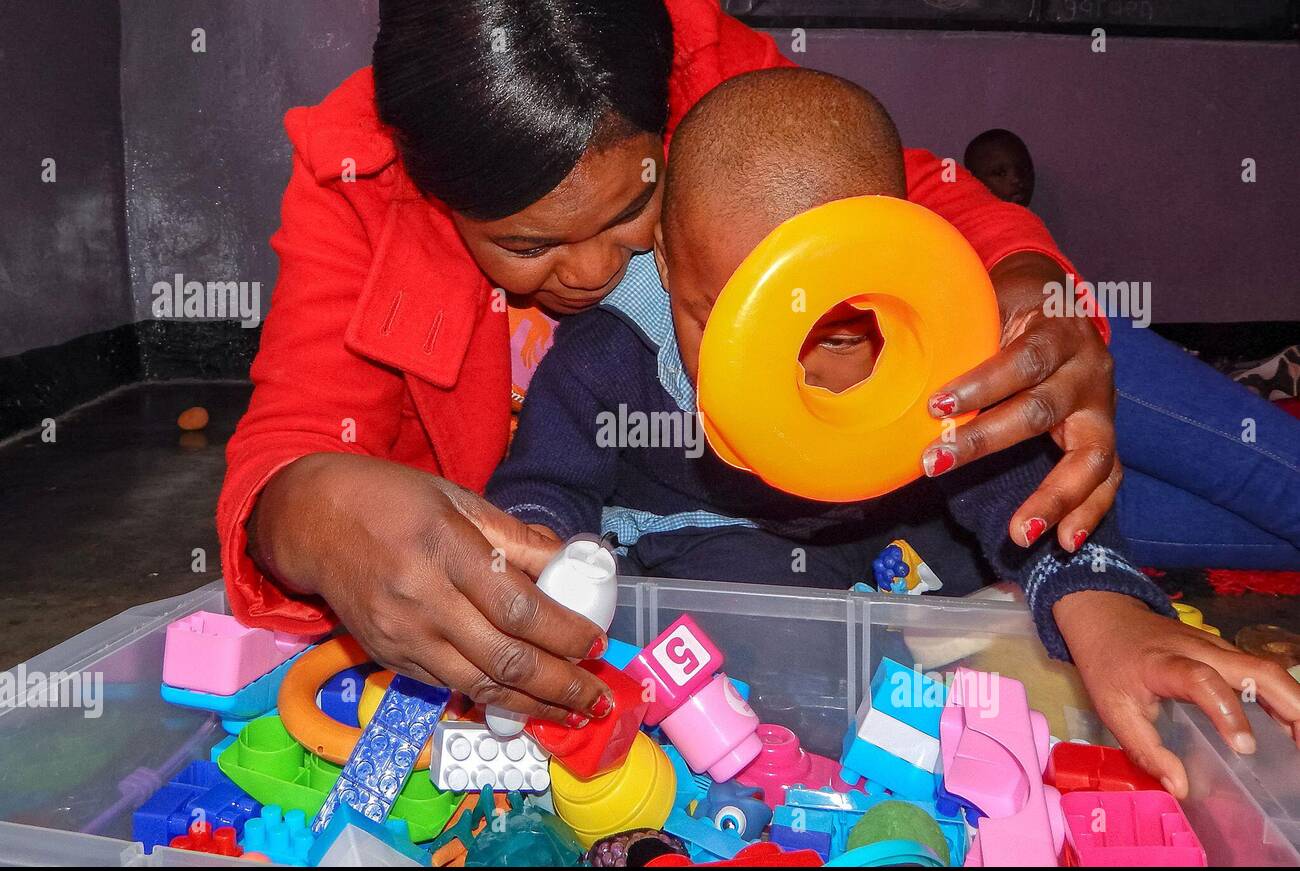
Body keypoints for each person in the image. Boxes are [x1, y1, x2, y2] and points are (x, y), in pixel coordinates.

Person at [221, 0, 1121, 726]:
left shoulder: (699, 66)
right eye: (527, 242)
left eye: (628, 212)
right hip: (717, 524)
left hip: (895, 465)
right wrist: (317, 507)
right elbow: (293, 442)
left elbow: (891, 184)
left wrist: (1030, 277)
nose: (592, 271)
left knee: (1102, 438)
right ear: (430, 190)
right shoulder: (362, 181)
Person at [487, 69, 1300, 795]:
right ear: (665, 265)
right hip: (718, 533)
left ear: (894, 270)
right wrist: (536, 554)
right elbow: (544, 483)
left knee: (1042, 526)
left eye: (839, 336)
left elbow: (1016, 481)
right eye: (733, 327)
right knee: (770, 653)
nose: (792, 378)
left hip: (889, 520)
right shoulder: (608, 353)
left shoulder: (926, 348)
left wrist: (1106, 606)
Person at [965, 129, 1300, 568]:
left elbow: (951, 199)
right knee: (1266, 529)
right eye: (998, 171)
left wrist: (1031, 289)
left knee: (1278, 488)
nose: (1013, 181)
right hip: (965, 489)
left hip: (1034, 340)